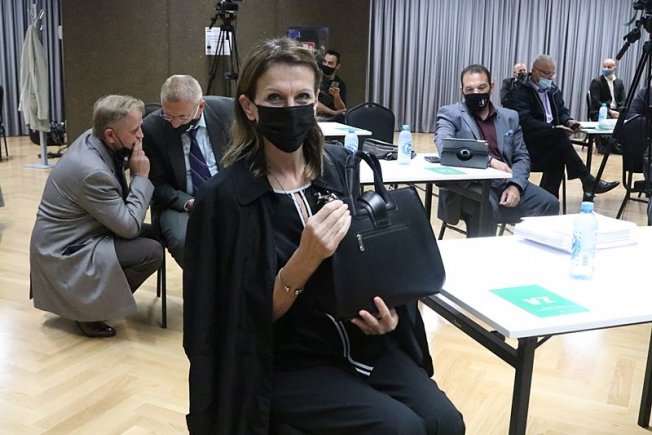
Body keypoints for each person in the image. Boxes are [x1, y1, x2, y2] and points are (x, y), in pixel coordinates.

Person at [183, 37, 465, 435]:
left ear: (316, 100)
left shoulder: (338, 169)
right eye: (275, 98)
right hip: (285, 360)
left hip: (358, 340)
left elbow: (365, 268)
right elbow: (230, 322)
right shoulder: (225, 199)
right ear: (249, 107)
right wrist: (305, 259)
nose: (291, 108)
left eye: (302, 97)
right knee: (400, 429)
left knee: (445, 422)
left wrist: (386, 313)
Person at [30, 95, 163, 338]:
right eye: (135, 130)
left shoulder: (96, 138)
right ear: (110, 135)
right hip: (65, 252)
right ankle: (87, 311)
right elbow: (129, 227)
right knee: (150, 252)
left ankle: (93, 300)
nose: (141, 135)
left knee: (157, 232)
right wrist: (141, 177)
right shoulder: (91, 171)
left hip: (84, 233)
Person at [436, 64, 560, 237]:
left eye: (481, 87)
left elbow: (521, 156)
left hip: (504, 182)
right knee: (486, 205)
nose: (476, 93)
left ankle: (527, 250)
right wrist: (489, 161)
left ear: (492, 87)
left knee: (549, 203)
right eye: (470, 89)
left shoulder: (510, 117)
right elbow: (446, 146)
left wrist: (515, 185)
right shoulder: (450, 114)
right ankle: (484, 253)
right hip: (468, 185)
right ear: (462, 90)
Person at [142, 75, 233, 268]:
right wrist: (189, 203)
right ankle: (204, 284)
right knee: (185, 241)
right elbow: (156, 184)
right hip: (179, 202)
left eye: (182, 117)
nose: (175, 123)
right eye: (168, 115)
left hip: (227, 195)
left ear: (200, 106)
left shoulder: (228, 112)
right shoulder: (151, 128)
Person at [503, 54, 619, 198]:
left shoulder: (553, 90)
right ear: (534, 71)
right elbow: (524, 121)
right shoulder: (519, 92)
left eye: (552, 74)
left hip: (550, 143)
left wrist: (569, 122)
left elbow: (562, 112)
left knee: (558, 156)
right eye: (546, 74)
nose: (549, 78)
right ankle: (586, 179)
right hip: (528, 144)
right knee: (558, 136)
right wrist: (552, 128)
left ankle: (548, 201)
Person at [317, 48, 347, 122]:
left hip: (335, 119)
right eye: (325, 62)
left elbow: (342, 110)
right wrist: (333, 112)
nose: (326, 65)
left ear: (337, 66)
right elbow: (313, 102)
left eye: (330, 63)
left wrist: (337, 96)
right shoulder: (315, 79)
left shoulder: (340, 83)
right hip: (318, 117)